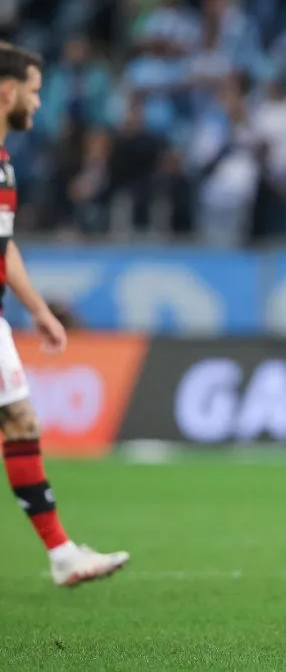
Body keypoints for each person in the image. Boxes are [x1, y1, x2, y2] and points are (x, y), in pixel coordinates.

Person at [0, 43, 129, 586]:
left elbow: (3, 248)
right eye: (33, 90)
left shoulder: (4, 163)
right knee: (20, 420)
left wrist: (39, 311)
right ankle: (62, 554)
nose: (38, 100)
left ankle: (62, 555)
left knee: (21, 420)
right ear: (6, 92)